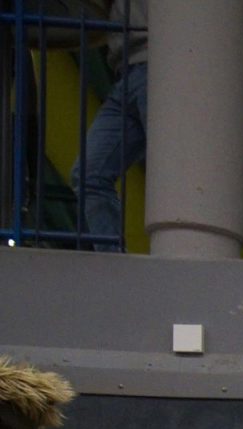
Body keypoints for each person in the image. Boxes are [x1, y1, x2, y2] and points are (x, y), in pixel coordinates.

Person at [72, 0, 148, 251]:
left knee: (175, 170)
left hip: (154, 62)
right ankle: (114, 263)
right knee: (88, 175)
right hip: (128, 69)